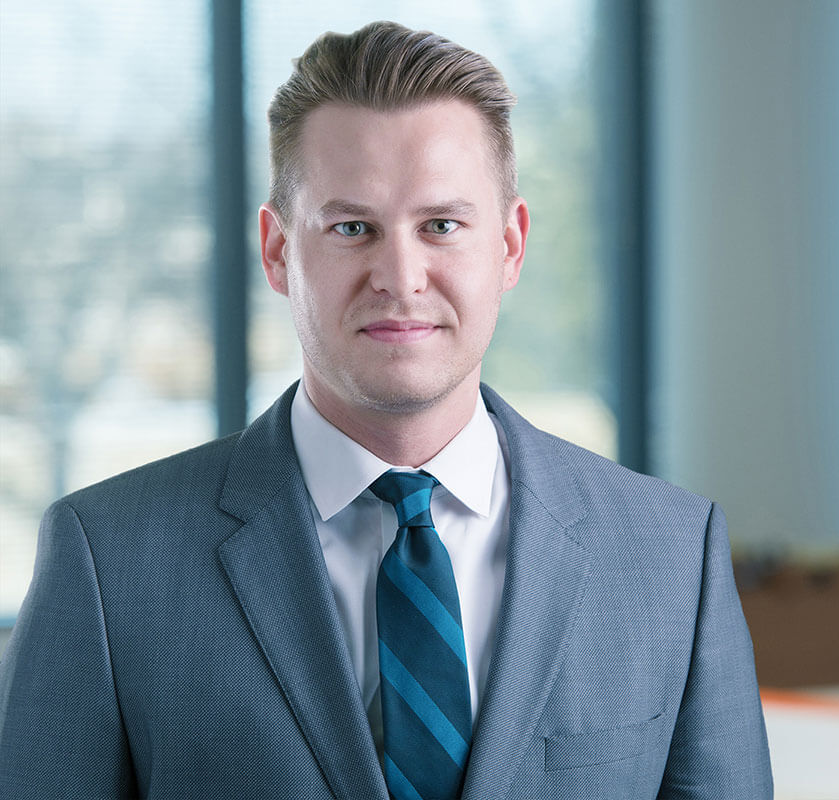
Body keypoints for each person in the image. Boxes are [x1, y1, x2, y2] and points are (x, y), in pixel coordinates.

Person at [0, 21, 771, 800]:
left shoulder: (672, 558)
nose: (400, 277)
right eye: (351, 228)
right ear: (277, 252)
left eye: (441, 225)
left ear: (509, 246)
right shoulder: (108, 561)